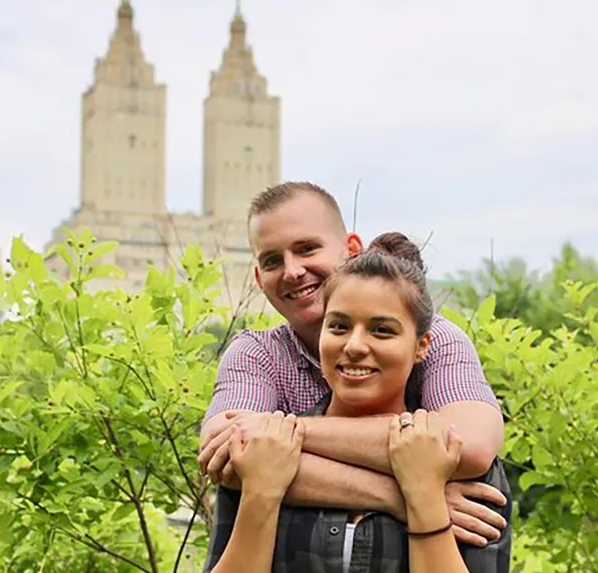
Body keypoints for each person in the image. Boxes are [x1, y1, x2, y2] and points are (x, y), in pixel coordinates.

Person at [199, 182, 509, 546]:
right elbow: (227, 457)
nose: (292, 271)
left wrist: (281, 435)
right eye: (271, 261)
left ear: (351, 250)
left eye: (307, 249)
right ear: (258, 279)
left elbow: (468, 447)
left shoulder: (432, 338)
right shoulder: (256, 354)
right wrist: (410, 496)